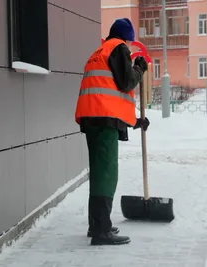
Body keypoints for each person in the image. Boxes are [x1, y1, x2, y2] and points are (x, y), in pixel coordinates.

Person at [74, 18, 150, 246]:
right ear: (125, 36)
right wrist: (139, 68)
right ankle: (102, 231)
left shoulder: (99, 51)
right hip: (102, 120)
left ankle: (96, 224)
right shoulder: (119, 48)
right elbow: (126, 83)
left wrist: (134, 121)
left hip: (93, 117)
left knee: (99, 173)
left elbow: (107, 92)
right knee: (106, 174)